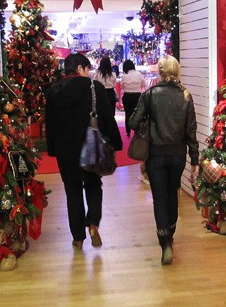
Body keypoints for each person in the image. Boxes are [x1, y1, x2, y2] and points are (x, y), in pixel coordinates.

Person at [45, 53, 123, 250]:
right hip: (91, 147)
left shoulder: (54, 91)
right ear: (80, 68)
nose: (89, 72)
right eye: (87, 69)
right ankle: (93, 223)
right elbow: (106, 117)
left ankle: (77, 237)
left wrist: (52, 148)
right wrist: (116, 141)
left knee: (72, 190)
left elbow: (50, 124)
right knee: (93, 184)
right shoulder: (93, 87)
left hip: (65, 150)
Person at [129, 55, 199, 265]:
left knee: (159, 197)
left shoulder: (150, 95)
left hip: (156, 154)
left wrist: (146, 119)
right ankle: (171, 232)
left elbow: (133, 122)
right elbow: (191, 131)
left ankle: (164, 241)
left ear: (160, 71)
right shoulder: (186, 96)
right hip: (177, 155)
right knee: (172, 194)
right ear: (177, 71)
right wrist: (194, 159)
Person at [120, 59, 146, 137]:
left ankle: (128, 131)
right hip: (137, 96)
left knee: (127, 114)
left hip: (127, 96)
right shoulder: (139, 74)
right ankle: (136, 129)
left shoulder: (124, 76)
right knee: (138, 113)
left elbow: (121, 86)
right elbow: (144, 84)